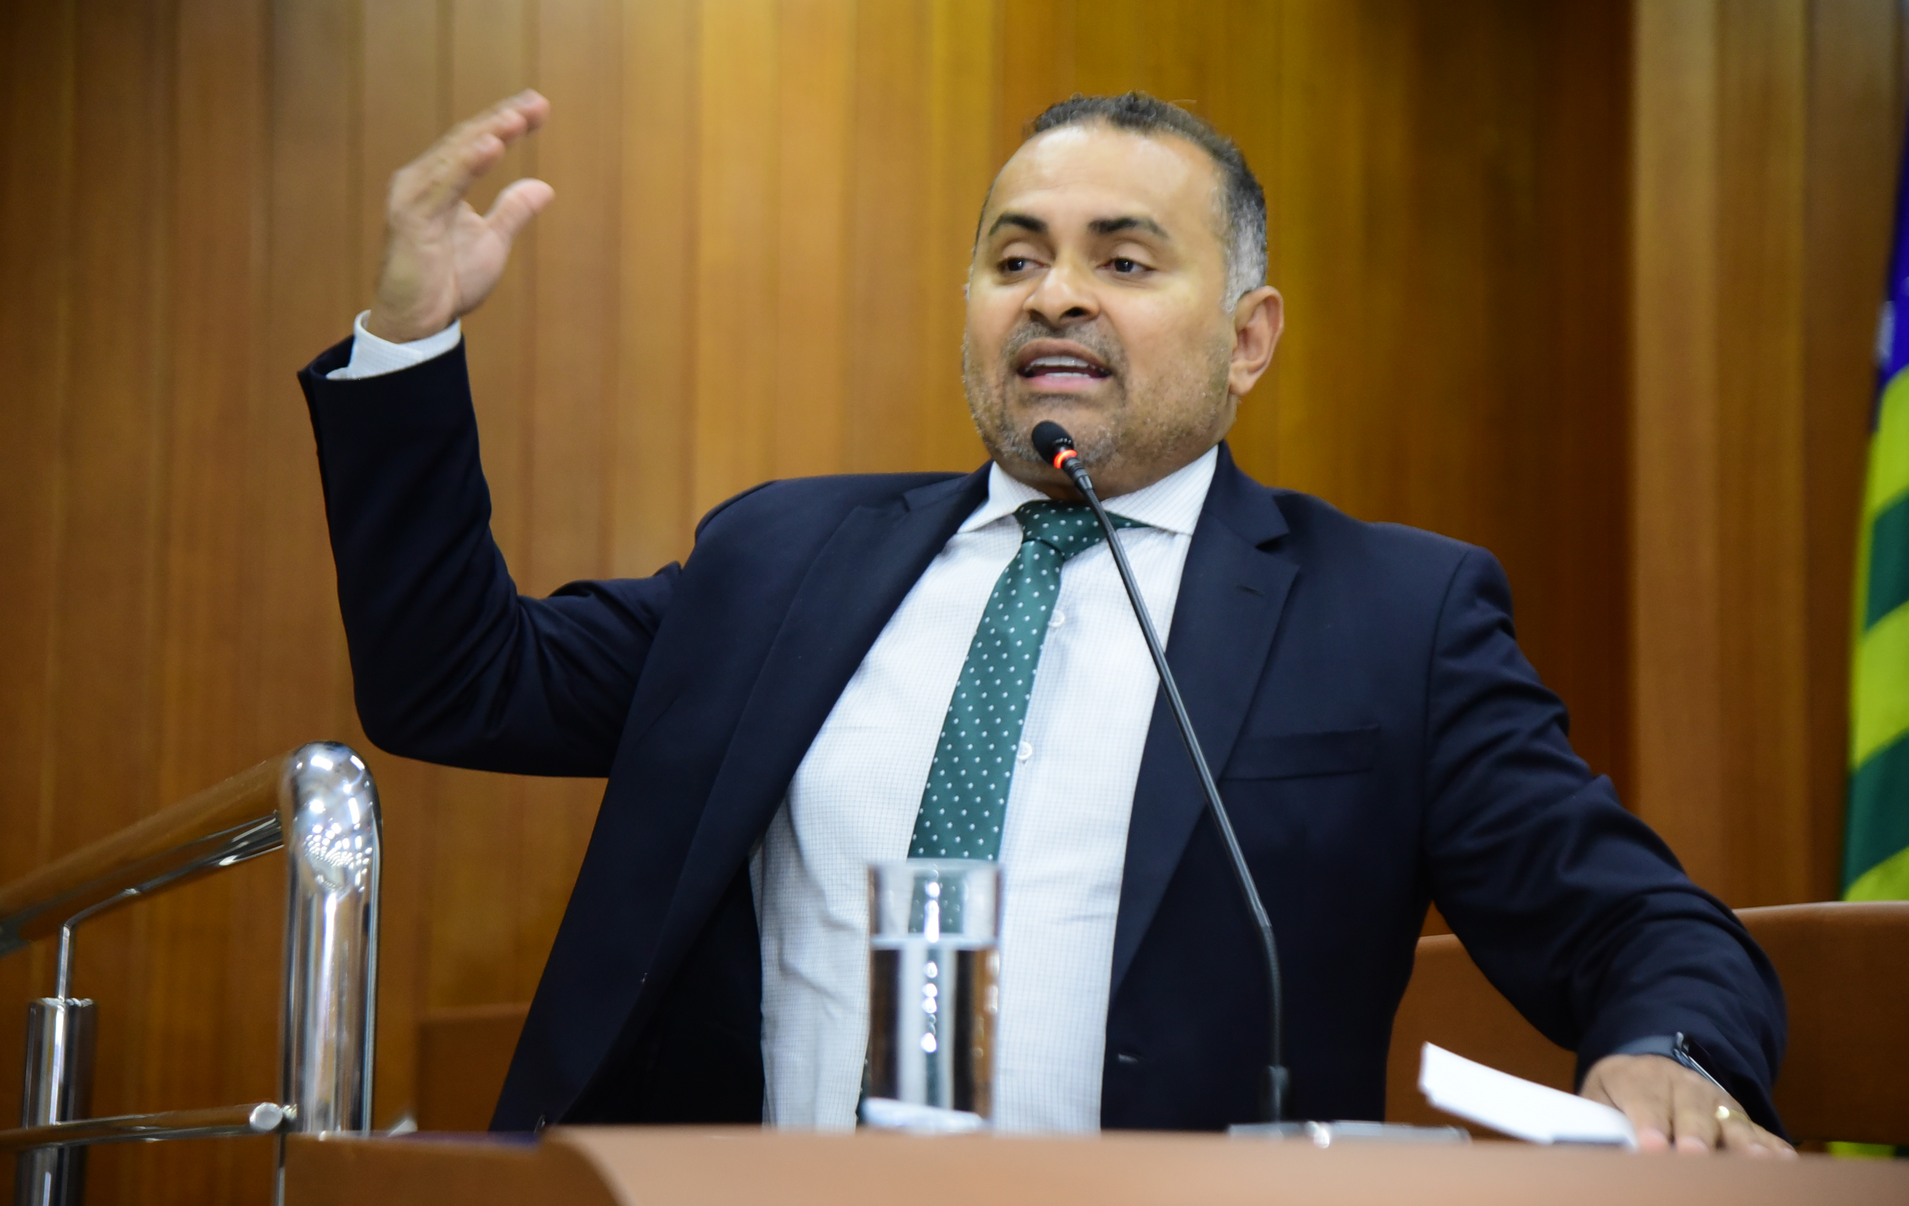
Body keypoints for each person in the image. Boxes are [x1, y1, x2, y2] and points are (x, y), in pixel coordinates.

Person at [300, 89, 1793, 1155]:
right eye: (1014, 260)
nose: (1054, 296)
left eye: (1124, 262)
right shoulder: (780, 559)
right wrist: (411, 343)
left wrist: (1667, 1058)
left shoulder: (1392, 618)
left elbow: (1641, 926)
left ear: (1248, 336)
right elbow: (457, 680)